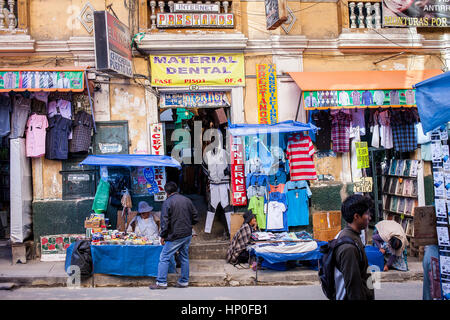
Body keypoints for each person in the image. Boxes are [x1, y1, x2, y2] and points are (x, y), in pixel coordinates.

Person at [150, 181, 199, 289]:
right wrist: (188, 225)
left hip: (175, 235)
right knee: (184, 257)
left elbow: (165, 223)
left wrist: (162, 236)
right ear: (176, 189)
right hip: (186, 234)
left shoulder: (167, 203)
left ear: (166, 192)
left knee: (164, 257)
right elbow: (195, 217)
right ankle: (184, 281)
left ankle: (161, 282)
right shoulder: (187, 200)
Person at [334, 194, 375, 300]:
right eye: (366, 214)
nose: (369, 218)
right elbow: (353, 287)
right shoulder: (348, 248)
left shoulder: (353, 236)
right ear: (356, 216)